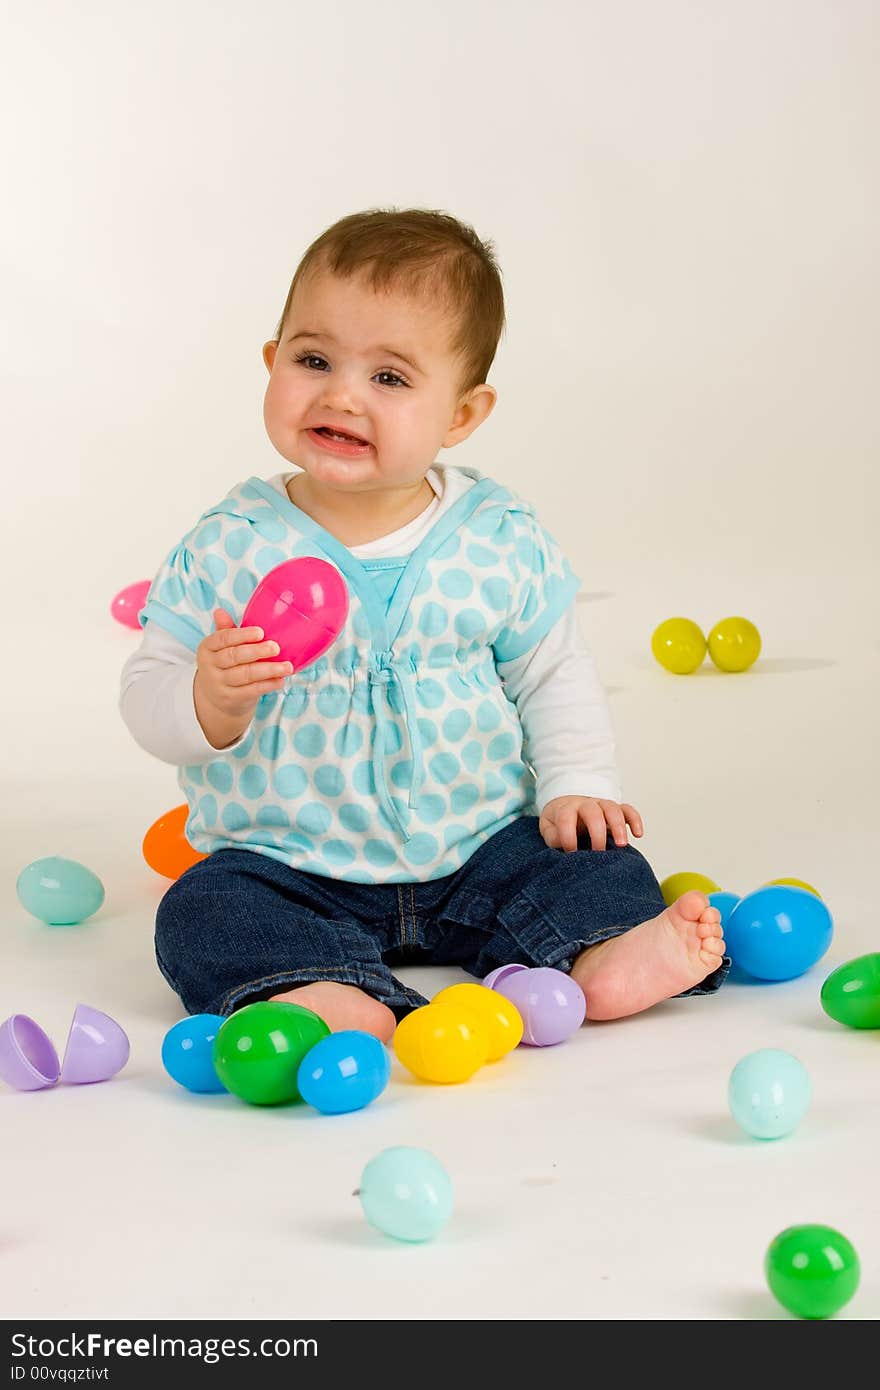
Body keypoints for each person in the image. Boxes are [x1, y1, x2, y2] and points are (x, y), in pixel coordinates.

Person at [119, 207, 728, 1042]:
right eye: (313, 359)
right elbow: (147, 691)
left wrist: (577, 783)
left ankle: (604, 953)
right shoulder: (232, 544)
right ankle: (316, 984)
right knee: (203, 910)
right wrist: (207, 702)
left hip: (481, 850)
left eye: (391, 378)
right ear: (272, 361)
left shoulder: (496, 537)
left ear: (462, 416)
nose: (340, 394)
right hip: (288, 865)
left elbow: (551, 671)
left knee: (594, 863)